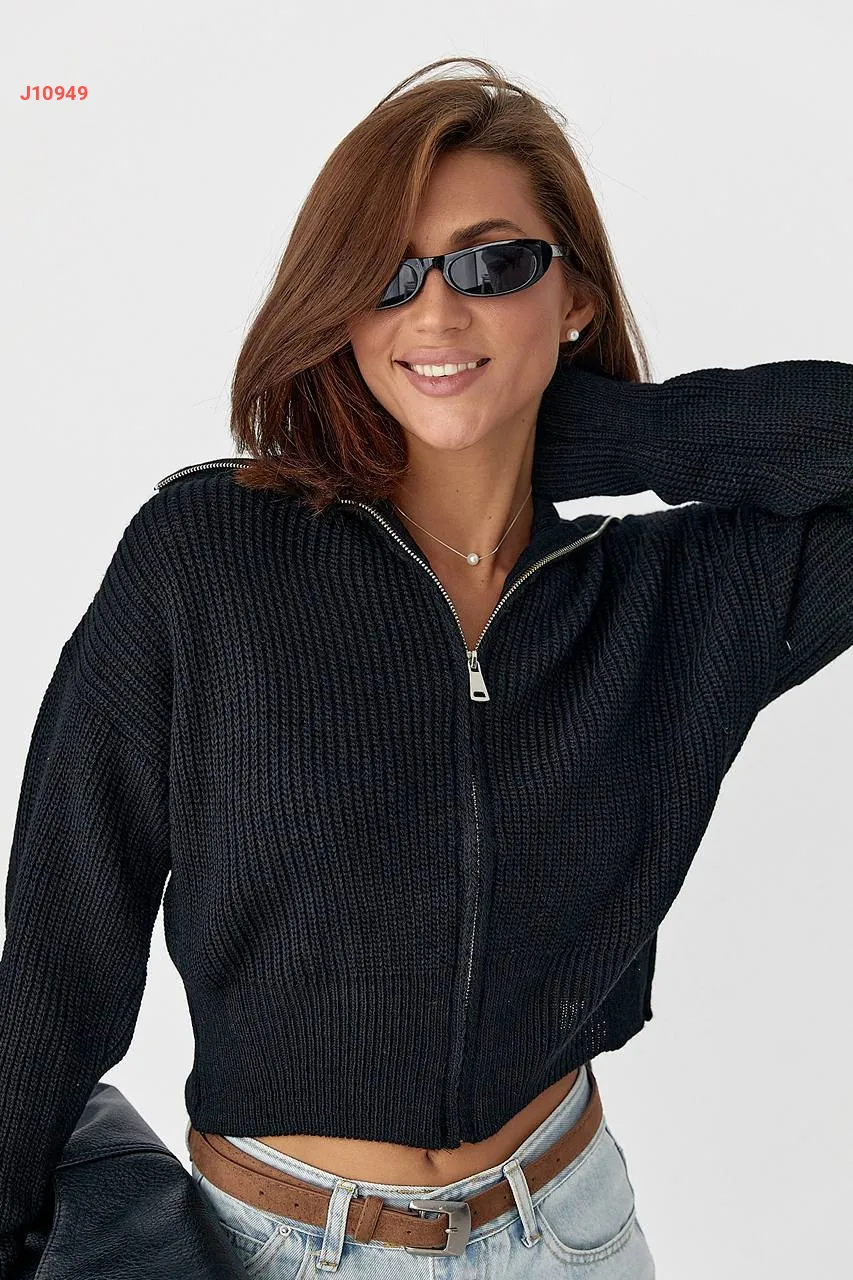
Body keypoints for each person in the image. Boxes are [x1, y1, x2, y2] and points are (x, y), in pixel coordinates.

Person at [2, 55, 852, 1278]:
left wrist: (595, 426)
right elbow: (60, 949)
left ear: (574, 294)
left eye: (492, 265)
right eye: (388, 275)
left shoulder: (673, 599)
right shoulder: (207, 560)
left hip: (571, 1229)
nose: (437, 313)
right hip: (278, 1246)